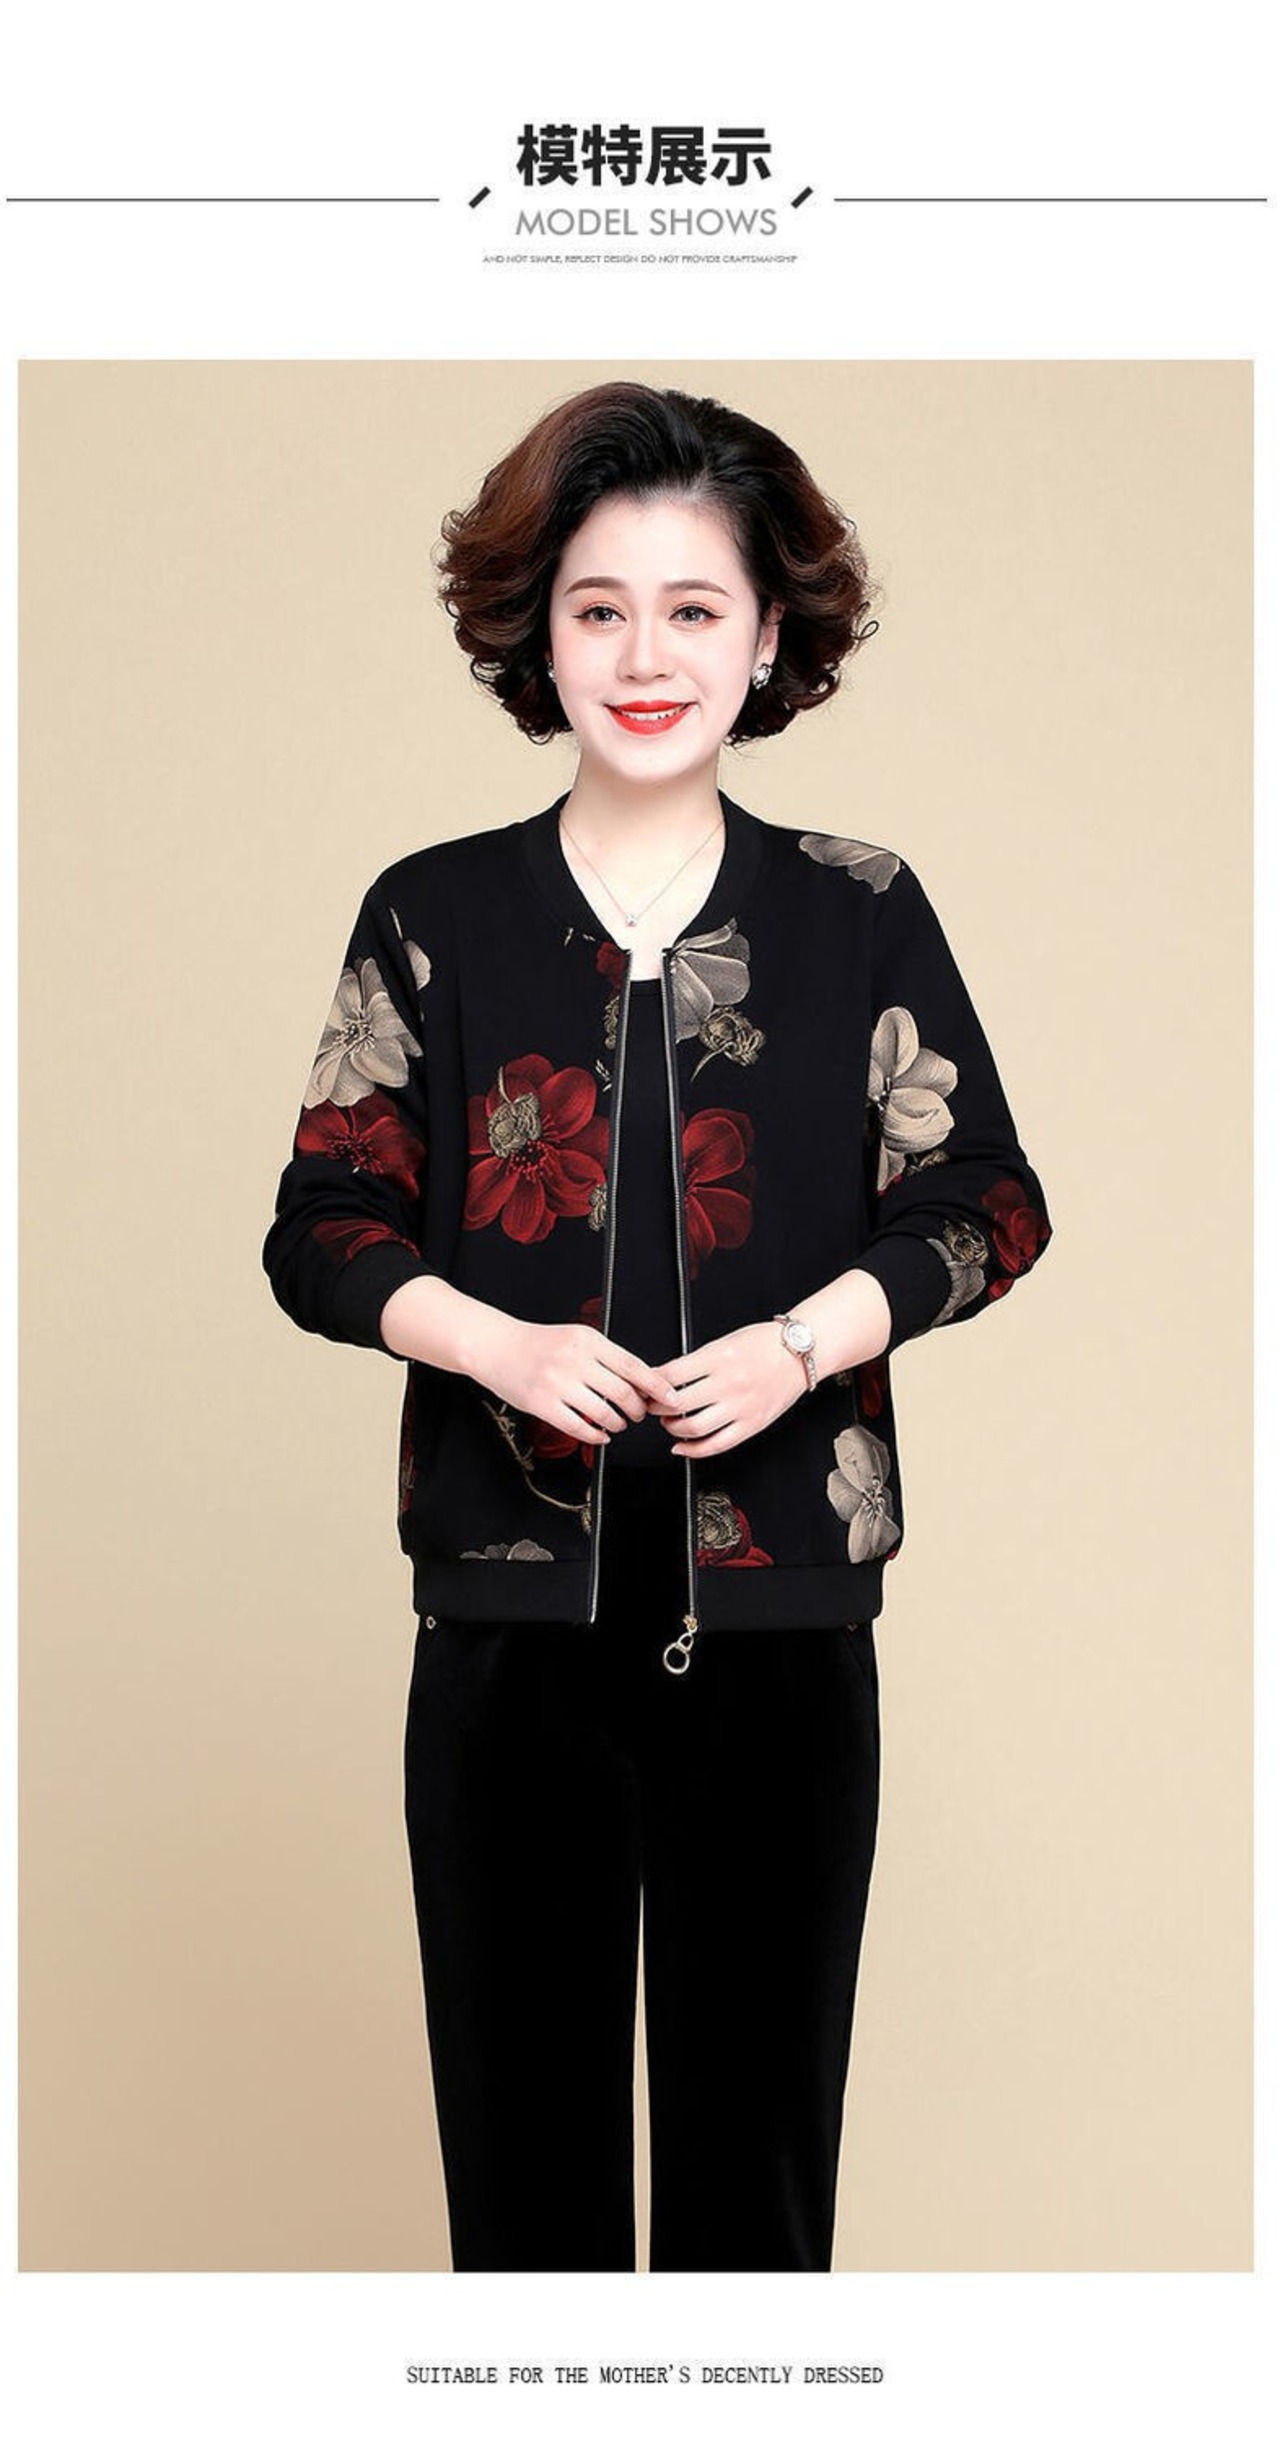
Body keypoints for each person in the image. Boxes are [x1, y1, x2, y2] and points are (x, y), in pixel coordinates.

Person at [261, 380, 1051, 2273]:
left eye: (695, 608)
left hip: (781, 1634)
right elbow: (320, 1225)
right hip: (505, 1636)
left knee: (755, 2200)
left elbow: (989, 1198)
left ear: (768, 638)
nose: (645, 655)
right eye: (599, 607)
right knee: (520, 2197)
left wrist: (804, 1341)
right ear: (538, 634)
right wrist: (495, 1342)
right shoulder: (436, 915)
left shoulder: (857, 910)